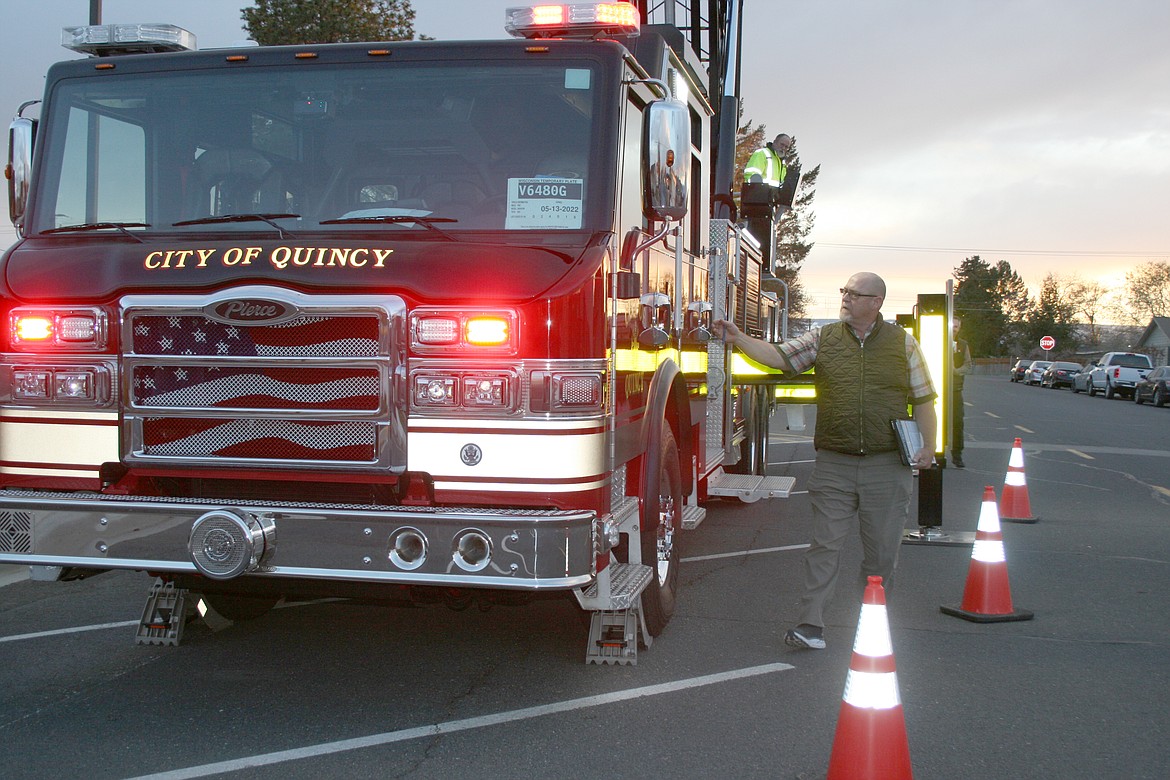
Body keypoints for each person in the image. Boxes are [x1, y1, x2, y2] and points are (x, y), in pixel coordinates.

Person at [712, 272, 938, 650]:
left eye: (855, 293)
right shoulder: (824, 338)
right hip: (835, 463)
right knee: (824, 548)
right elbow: (780, 357)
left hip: (886, 467)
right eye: (844, 291)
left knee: (881, 554)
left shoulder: (904, 345)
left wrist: (929, 446)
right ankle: (809, 624)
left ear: (876, 302)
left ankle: (873, 623)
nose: (846, 298)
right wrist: (738, 339)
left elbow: (925, 400)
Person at [951, 317, 972, 468]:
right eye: (952, 326)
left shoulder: (963, 345)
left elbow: (968, 365)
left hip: (955, 389)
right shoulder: (936, 340)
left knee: (957, 422)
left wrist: (956, 372)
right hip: (936, 389)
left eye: (956, 327)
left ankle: (957, 454)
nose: (954, 329)